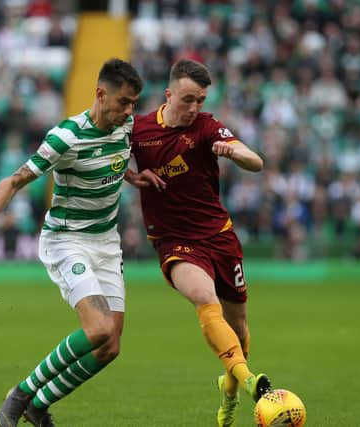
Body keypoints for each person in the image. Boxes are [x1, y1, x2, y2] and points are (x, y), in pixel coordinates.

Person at [0, 59, 159, 427]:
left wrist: (131, 175)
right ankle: (21, 394)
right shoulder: (65, 136)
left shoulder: (124, 126)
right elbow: (15, 179)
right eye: (124, 102)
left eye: (134, 104)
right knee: (98, 330)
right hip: (67, 240)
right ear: (100, 94)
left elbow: (108, 161)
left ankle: (40, 403)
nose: (130, 111)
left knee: (110, 347)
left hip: (106, 243)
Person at [127, 59, 271, 427]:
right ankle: (251, 380)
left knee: (238, 328)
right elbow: (104, 161)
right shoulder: (138, 130)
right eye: (188, 99)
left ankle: (230, 388)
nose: (194, 108)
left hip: (219, 237)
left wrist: (237, 154)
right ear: (169, 94)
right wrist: (131, 176)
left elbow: (256, 161)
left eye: (201, 100)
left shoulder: (208, 127)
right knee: (205, 300)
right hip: (173, 241)